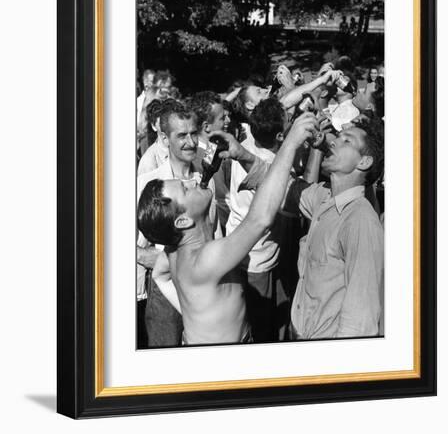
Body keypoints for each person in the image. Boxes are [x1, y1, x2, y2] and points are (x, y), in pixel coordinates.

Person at [137, 113, 319, 345]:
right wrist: (291, 143)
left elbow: (161, 277)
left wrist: (192, 311)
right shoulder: (206, 259)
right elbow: (259, 219)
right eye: (185, 189)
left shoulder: (172, 253)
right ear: (182, 222)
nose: (192, 181)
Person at [289, 118, 384, 339]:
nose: (333, 143)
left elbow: (359, 323)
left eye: (346, 140)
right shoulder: (324, 197)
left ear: (364, 162)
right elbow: (284, 187)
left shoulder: (360, 221)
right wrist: (243, 155)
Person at [136, 102, 220, 347]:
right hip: (166, 289)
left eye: (194, 133)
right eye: (181, 135)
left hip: (206, 287)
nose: (191, 142)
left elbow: (213, 230)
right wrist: (159, 261)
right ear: (164, 138)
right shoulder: (148, 182)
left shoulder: (206, 177)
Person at [225, 98, 289, 341]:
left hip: (237, 245)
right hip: (259, 258)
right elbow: (290, 207)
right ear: (281, 136)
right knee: (260, 323)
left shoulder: (247, 141)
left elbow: (284, 104)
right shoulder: (274, 167)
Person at [188, 91, 230, 230]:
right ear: (206, 126)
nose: (227, 121)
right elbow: (220, 200)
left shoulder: (213, 148)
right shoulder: (201, 159)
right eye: (222, 118)